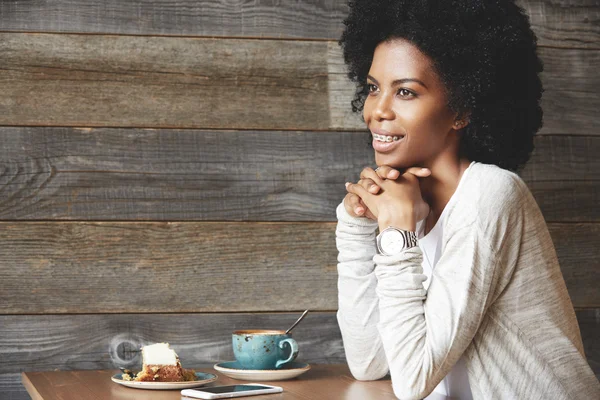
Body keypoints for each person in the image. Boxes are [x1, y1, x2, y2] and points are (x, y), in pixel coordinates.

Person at [335, 1, 600, 399]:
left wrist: (397, 236)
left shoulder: (490, 194)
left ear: (460, 109)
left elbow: (411, 383)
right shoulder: (404, 200)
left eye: (405, 91)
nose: (377, 111)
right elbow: (369, 363)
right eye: (373, 88)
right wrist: (358, 227)